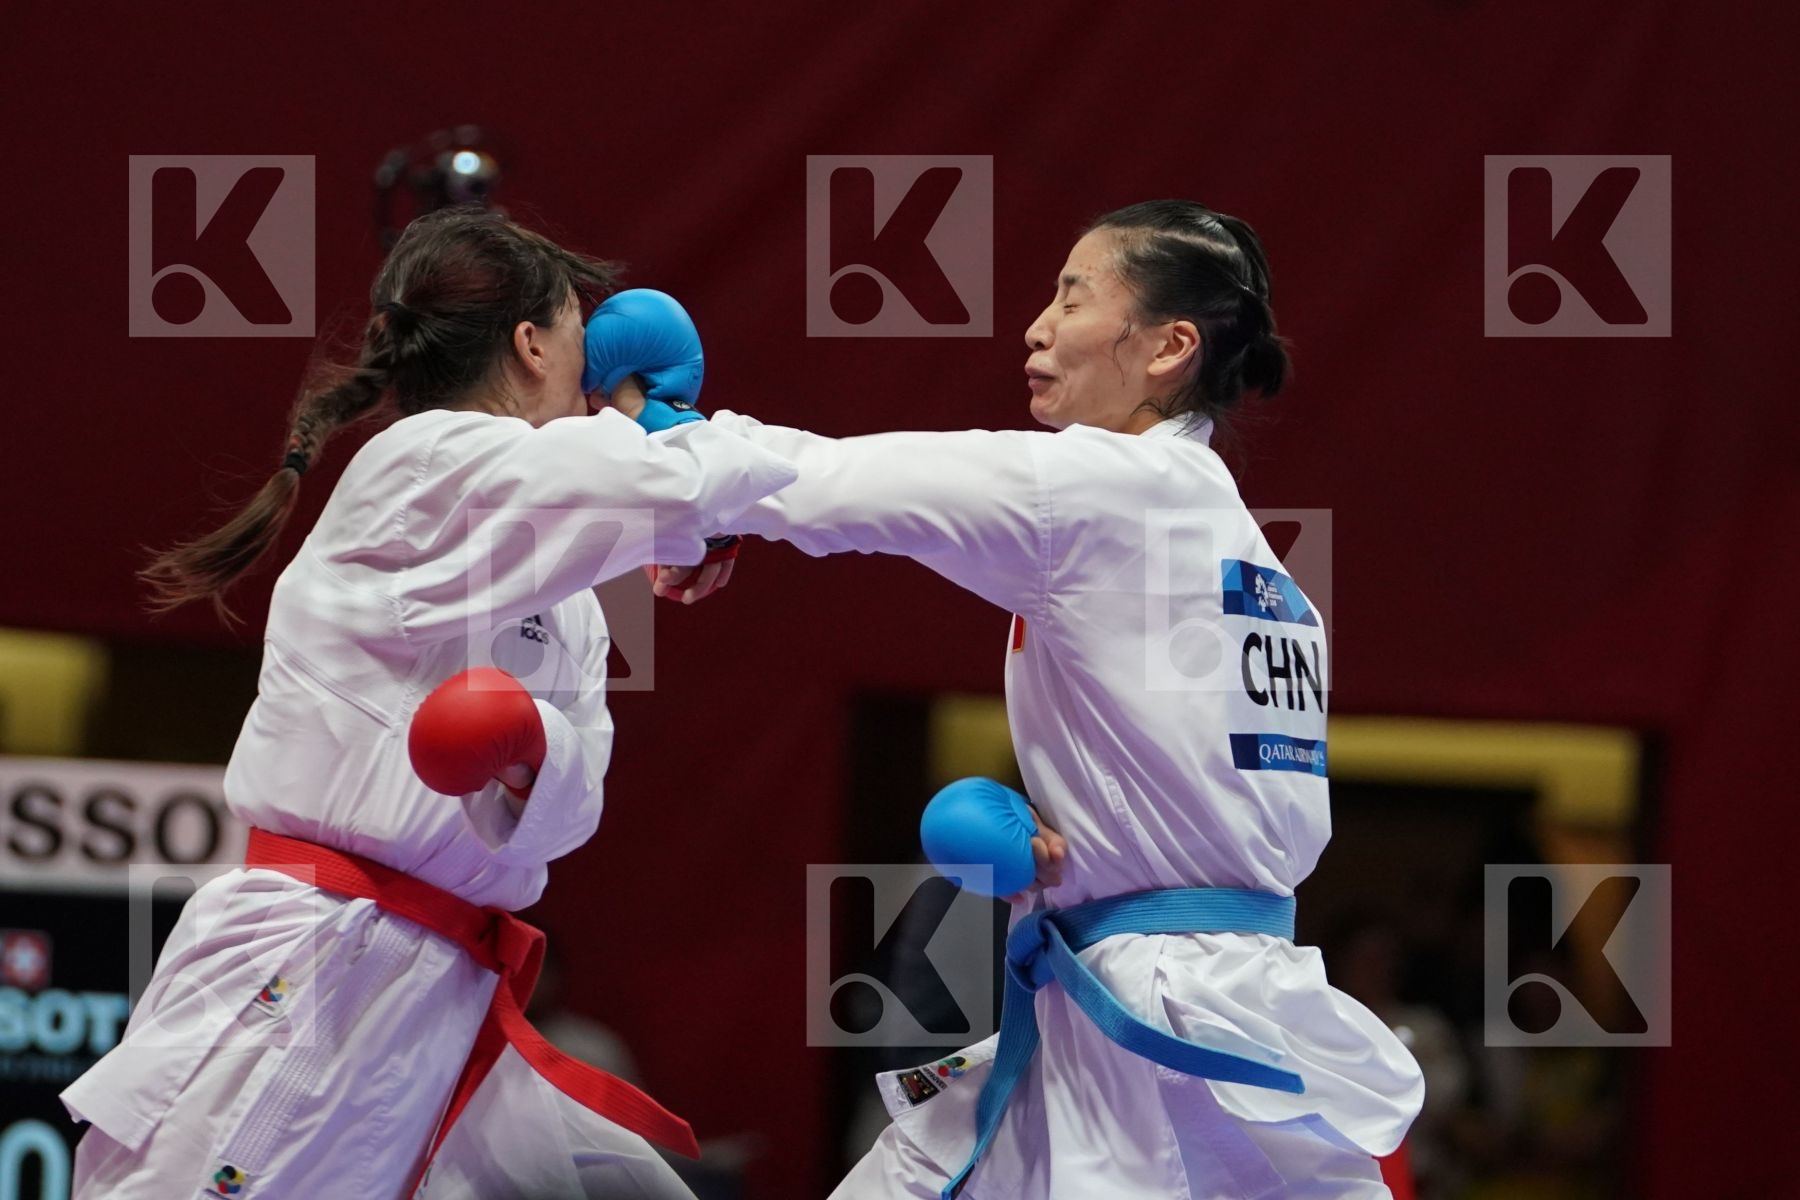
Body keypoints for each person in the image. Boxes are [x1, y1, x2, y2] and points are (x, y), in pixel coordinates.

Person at [673, 200, 1425, 1197]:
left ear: (1167, 348)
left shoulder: (1103, 486)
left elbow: (831, 482)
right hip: (1183, 985)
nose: (1037, 325)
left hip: (1155, 1021)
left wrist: (667, 445)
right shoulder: (1263, 575)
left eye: (1074, 297)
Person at [62, 206, 797, 1199]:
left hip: (445, 995)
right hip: (312, 964)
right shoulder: (420, 467)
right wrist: (662, 424)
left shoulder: (571, 591)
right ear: (532, 343)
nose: (590, 381)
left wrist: (532, 740)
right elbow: (639, 481)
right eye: (583, 342)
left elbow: (572, 817)